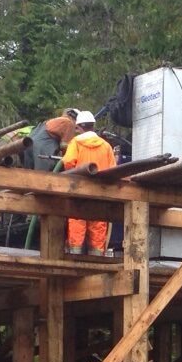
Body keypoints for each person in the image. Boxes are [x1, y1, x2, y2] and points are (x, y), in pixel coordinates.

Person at [61, 109, 116, 255]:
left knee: (77, 224)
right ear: (93, 126)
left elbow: (68, 162)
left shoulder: (76, 143)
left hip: (79, 193)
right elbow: (113, 169)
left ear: (79, 127)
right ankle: (97, 260)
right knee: (98, 226)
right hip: (100, 194)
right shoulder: (106, 146)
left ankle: (74, 257)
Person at [28, 108, 79, 172]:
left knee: (28, 171)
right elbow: (64, 145)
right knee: (43, 173)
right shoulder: (69, 123)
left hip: (30, 143)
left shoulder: (55, 120)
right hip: (43, 146)